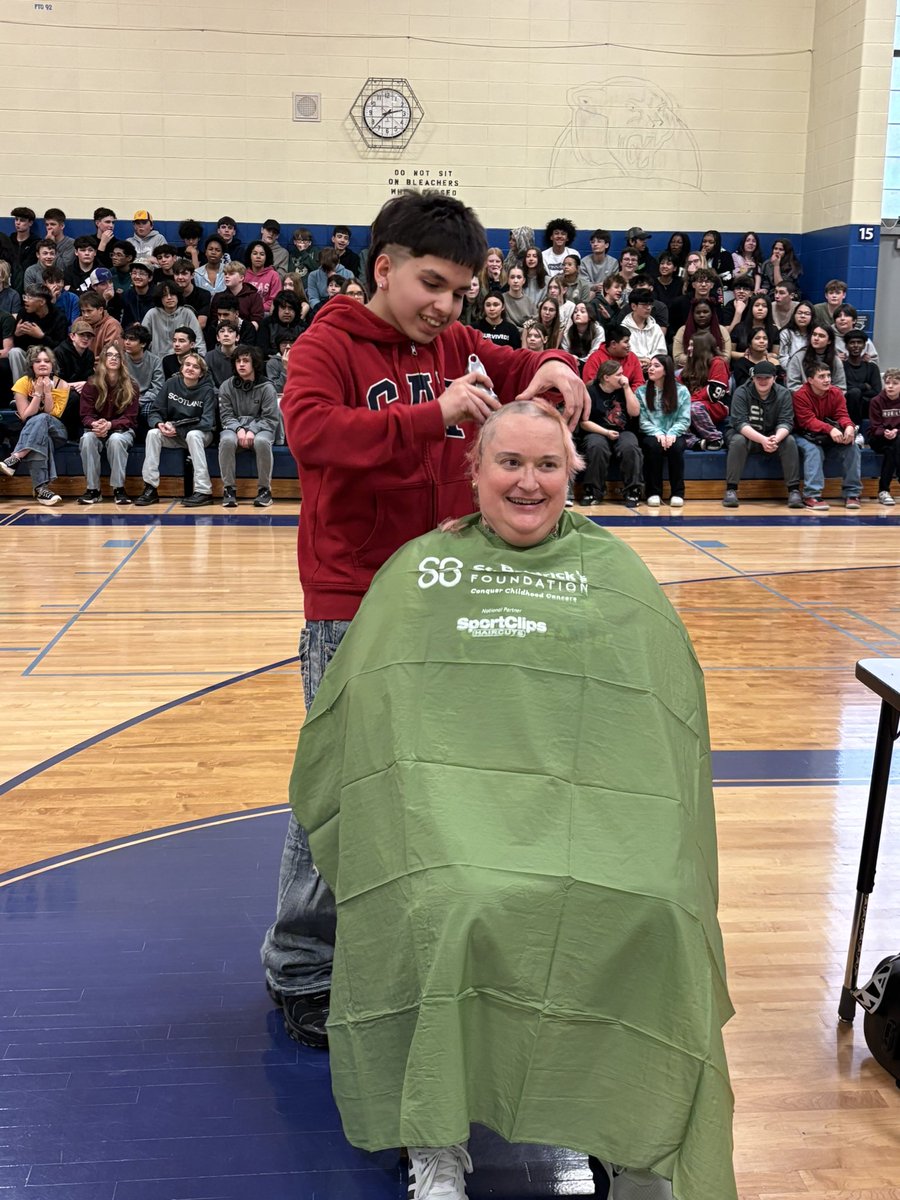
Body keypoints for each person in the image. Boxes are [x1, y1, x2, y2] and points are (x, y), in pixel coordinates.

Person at [289, 399, 736, 1200]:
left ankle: (634, 1139)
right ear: (473, 471)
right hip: (450, 820)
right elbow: (371, 719)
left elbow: (663, 720)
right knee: (441, 900)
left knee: (656, 908)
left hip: (597, 820)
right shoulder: (425, 569)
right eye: (509, 463)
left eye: (547, 465)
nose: (528, 482)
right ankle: (434, 1141)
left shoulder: (617, 577)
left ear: (574, 474)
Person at [260, 188, 589, 1050]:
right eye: (431, 283)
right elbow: (313, 436)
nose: (443, 305)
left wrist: (553, 364)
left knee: (436, 775)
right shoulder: (325, 345)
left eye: (458, 291)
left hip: (445, 591)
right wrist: (431, 416)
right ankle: (299, 964)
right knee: (337, 784)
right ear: (385, 267)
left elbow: (513, 366)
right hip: (353, 601)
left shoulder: (451, 341)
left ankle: (412, 936)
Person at [135, 351, 217, 507]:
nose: (190, 368)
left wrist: (178, 429)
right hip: (175, 435)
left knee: (193, 435)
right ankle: (150, 488)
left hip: (201, 435)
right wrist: (159, 424)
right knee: (153, 434)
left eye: (195, 367)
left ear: (201, 373)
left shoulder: (207, 391)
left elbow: (207, 422)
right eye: (187, 364)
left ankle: (203, 490)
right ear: (181, 368)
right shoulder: (170, 384)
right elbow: (155, 411)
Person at [722, 361, 802, 508]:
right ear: (753, 378)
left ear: (774, 378)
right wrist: (763, 440)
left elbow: (786, 422)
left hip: (772, 436)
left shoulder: (783, 393)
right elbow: (740, 423)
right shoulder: (741, 392)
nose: (762, 381)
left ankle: (794, 491)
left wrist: (774, 439)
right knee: (738, 440)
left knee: (789, 440)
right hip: (745, 435)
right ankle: (731, 489)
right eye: (759, 377)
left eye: (767, 377)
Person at [0, 346, 70, 505]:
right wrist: (38, 394)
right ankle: (41, 490)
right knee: (42, 441)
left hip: (57, 430)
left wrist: (47, 393)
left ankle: (16, 457)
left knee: (43, 418)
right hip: (35, 434)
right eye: (38, 361)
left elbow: (52, 414)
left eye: (47, 361)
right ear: (31, 365)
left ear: (53, 364)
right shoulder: (22, 383)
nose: (43, 364)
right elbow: (25, 416)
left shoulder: (63, 385)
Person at [217, 344, 279, 508]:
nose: (241, 365)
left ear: (255, 364)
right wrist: (238, 429)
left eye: (246, 361)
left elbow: (270, 418)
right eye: (238, 361)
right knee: (227, 441)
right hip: (234, 428)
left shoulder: (267, 387)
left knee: (261, 442)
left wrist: (252, 430)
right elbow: (226, 416)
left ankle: (265, 490)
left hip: (261, 428)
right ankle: (229, 489)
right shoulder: (226, 386)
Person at [792, 364, 861, 511]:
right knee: (814, 450)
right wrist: (830, 429)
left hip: (827, 436)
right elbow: (807, 421)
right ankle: (812, 495)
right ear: (810, 380)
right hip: (803, 434)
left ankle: (852, 493)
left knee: (852, 447)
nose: (827, 380)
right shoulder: (800, 395)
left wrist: (849, 426)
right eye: (821, 376)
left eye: (828, 376)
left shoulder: (836, 393)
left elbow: (842, 415)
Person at [77, 341, 139, 505]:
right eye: (109, 355)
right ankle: (93, 490)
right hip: (96, 429)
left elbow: (130, 417)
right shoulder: (91, 384)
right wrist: (96, 425)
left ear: (122, 361)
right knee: (87, 439)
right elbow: (85, 415)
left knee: (116, 440)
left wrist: (110, 425)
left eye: (117, 356)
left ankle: (119, 488)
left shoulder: (131, 385)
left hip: (122, 430)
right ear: (103, 359)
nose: (113, 358)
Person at [581, 359, 643, 506]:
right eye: (619, 374)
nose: (623, 377)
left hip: (623, 431)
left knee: (630, 447)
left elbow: (635, 412)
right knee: (596, 447)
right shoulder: (590, 392)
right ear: (606, 377)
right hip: (597, 430)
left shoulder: (623, 389)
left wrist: (627, 388)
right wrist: (606, 432)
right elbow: (583, 422)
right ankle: (593, 491)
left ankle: (633, 491)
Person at [636, 353, 690, 507]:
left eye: (656, 366)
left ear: (666, 370)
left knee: (677, 447)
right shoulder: (641, 391)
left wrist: (672, 433)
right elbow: (642, 420)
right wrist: (658, 433)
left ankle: (677, 493)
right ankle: (653, 492)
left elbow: (684, 419)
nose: (650, 369)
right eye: (650, 365)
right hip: (651, 433)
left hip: (674, 432)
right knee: (653, 446)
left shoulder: (682, 391)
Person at [680, 330, 730, 450]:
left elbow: (714, 393)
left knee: (693, 407)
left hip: (717, 405)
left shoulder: (718, 363)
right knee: (673, 409)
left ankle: (715, 438)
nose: (689, 348)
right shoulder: (690, 364)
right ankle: (695, 442)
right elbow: (679, 387)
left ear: (701, 347)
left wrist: (688, 400)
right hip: (693, 402)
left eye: (692, 345)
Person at [53, 318, 97, 439]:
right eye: (82, 335)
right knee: (74, 398)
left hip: (81, 389)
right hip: (59, 392)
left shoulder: (89, 354)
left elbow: (90, 377)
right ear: (72, 336)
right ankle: (70, 435)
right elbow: (55, 381)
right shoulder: (59, 352)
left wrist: (85, 385)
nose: (86, 338)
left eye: (89, 336)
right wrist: (77, 384)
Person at [122, 323, 164, 438]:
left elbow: (157, 387)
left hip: (147, 399)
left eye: (132, 339)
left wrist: (140, 401)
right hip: (126, 399)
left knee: (149, 411)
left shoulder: (155, 361)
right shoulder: (120, 359)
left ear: (143, 343)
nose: (127, 342)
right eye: (125, 338)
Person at [142, 282, 203, 357]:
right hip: (156, 360)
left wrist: (199, 359)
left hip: (183, 360)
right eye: (165, 295)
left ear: (178, 296)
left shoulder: (187, 313)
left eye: (172, 294)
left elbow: (199, 340)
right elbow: (142, 340)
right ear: (160, 298)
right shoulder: (152, 314)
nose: (169, 298)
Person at [868, 368, 900, 505]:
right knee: (894, 445)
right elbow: (875, 427)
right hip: (878, 438)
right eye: (887, 383)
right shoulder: (876, 401)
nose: (890, 386)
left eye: (895, 383)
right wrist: (885, 433)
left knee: (893, 448)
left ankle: (883, 490)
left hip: (897, 439)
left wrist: (896, 431)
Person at [785, 324, 847, 392]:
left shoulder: (835, 360)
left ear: (829, 341)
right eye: (814, 334)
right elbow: (792, 385)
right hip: (804, 399)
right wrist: (813, 395)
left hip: (828, 399)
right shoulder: (798, 357)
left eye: (821, 336)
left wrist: (825, 397)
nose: (816, 338)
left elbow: (841, 387)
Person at [582, 324, 643, 392]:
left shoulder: (632, 357)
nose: (629, 345)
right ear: (613, 344)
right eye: (626, 342)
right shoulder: (595, 358)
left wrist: (629, 396)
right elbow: (590, 385)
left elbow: (639, 383)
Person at [672, 299, 731, 367]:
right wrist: (703, 361)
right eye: (698, 312)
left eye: (705, 312)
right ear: (693, 314)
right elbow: (677, 357)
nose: (702, 315)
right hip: (689, 370)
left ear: (712, 313)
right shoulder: (682, 330)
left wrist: (700, 360)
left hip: (715, 368)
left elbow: (726, 358)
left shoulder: (722, 330)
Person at [841, 330, 882, 427]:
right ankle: (854, 428)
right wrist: (864, 386)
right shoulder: (841, 366)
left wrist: (855, 390)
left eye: (859, 342)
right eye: (852, 343)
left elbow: (876, 391)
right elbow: (842, 389)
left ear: (864, 346)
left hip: (866, 406)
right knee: (854, 393)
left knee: (856, 393)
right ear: (846, 346)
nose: (856, 345)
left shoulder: (872, 367)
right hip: (846, 404)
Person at [621, 286, 665, 370]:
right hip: (631, 368)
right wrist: (638, 361)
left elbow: (661, 350)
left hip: (653, 367)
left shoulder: (655, 328)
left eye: (650, 304)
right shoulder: (623, 328)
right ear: (634, 306)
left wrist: (649, 360)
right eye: (644, 304)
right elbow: (623, 352)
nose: (648, 308)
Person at [79, 289, 123, 355]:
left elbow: (110, 355)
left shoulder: (112, 325)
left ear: (100, 310)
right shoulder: (78, 322)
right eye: (83, 311)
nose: (85, 315)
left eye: (89, 311)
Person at [244, 240, 283, 315]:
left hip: (265, 313)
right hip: (246, 312)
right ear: (250, 256)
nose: (258, 256)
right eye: (255, 253)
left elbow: (274, 300)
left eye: (262, 254)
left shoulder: (274, 275)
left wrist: (256, 308)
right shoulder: (244, 274)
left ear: (266, 257)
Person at [579, 228, 618, 296]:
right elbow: (583, 283)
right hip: (589, 293)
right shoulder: (584, 262)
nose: (595, 244)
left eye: (599, 241)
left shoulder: (613, 262)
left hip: (607, 293)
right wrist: (595, 286)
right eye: (593, 242)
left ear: (606, 245)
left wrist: (604, 286)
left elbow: (614, 282)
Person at [779, 300, 814, 369]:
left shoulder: (815, 333)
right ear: (794, 315)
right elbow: (783, 358)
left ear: (812, 316)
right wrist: (794, 371)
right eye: (799, 313)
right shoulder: (786, 333)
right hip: (791, 370)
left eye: (807, 313)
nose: (802, 316)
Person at [122, 259, 156, 326]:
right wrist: (131, 325)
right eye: (134, 273)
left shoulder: (158, 295)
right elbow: (125, 321)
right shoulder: (127, 295)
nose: (137, 277)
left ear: (150, 278)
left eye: (142, 273)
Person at [43, 207, 75, 273]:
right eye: (47, 225)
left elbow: (62, 267)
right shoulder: (43, 243)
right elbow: (41, 266)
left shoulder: (71, 243)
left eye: (52, 224)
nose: (49, 227)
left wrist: (51, 245)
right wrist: (46, 243)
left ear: (62, 226)